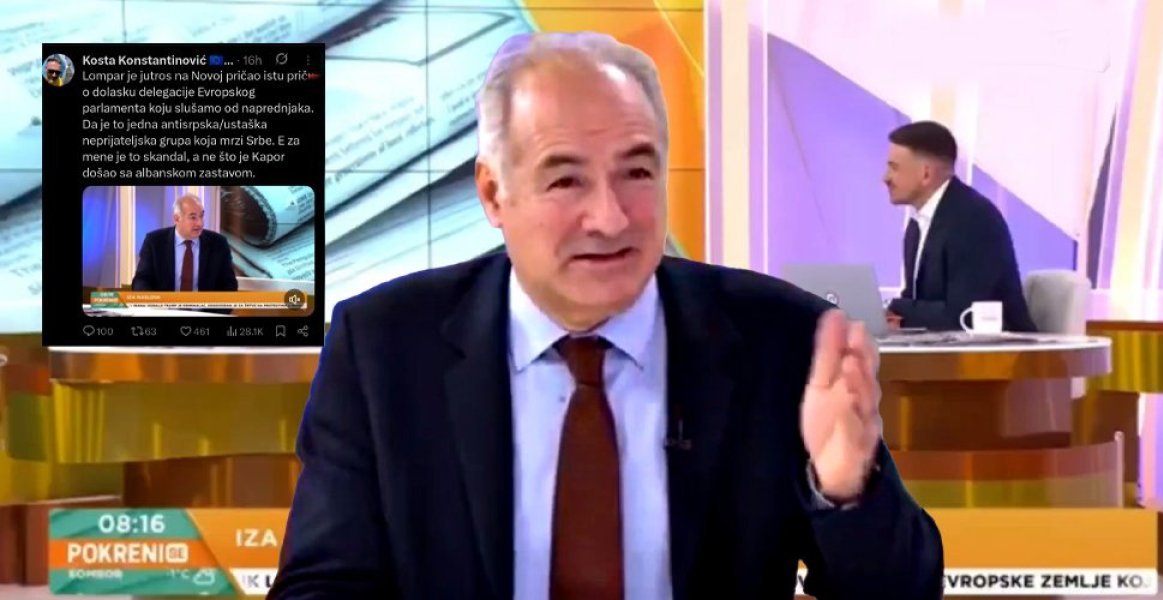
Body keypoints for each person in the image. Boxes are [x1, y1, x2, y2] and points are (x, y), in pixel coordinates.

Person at [269, 32, 942, 599]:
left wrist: (846, 491)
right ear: (494, 194)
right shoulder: (383, 348)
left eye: (637, 173)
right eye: (566, 180)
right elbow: (324, 586)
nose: (612, 218)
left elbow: (906, 592)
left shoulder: (781, 341)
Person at [883, 121, 1037, 333]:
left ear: (926, 174)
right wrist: (892, 317)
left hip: (997, 350)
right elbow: (916, 301)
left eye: (894, 168)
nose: (886, 178)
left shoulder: (973, 219)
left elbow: (963, 316)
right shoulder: (917, 226)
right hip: (940, 347)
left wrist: (896, 308)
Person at [131, 194, 238, 293]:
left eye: (201, 216)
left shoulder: (218, 244)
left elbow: (229, 284)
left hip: (205, 307)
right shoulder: (154, 242)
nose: (200, 223)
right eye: (193, 217)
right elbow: (141, 280)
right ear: (177, 218)